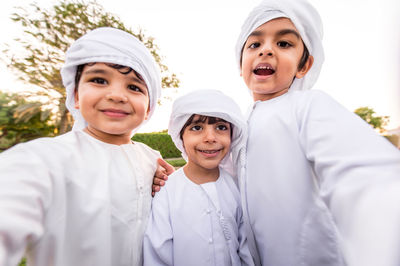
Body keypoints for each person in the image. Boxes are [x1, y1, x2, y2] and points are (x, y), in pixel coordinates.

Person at [235, 0, 400, 265]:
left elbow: (364, 175)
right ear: (240, 62)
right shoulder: (234, 127)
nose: (266, 50)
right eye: (254, 44)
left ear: (304, 66)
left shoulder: (308, 107)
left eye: (284, 43)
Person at [0, 27, 168, 266]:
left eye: (134, 87)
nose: (117, 95)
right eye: (99, 80)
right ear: (76, 95)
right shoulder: (48, 159)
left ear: (149, 107)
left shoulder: (152, 159)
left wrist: (170, 188)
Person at [143, 89, 254, 266]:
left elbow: (246, 248)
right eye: (197, 128)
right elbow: (157, 254)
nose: (210, 138)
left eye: (221, 127)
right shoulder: (167, 190)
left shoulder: (236, 187)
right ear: (181, 136)